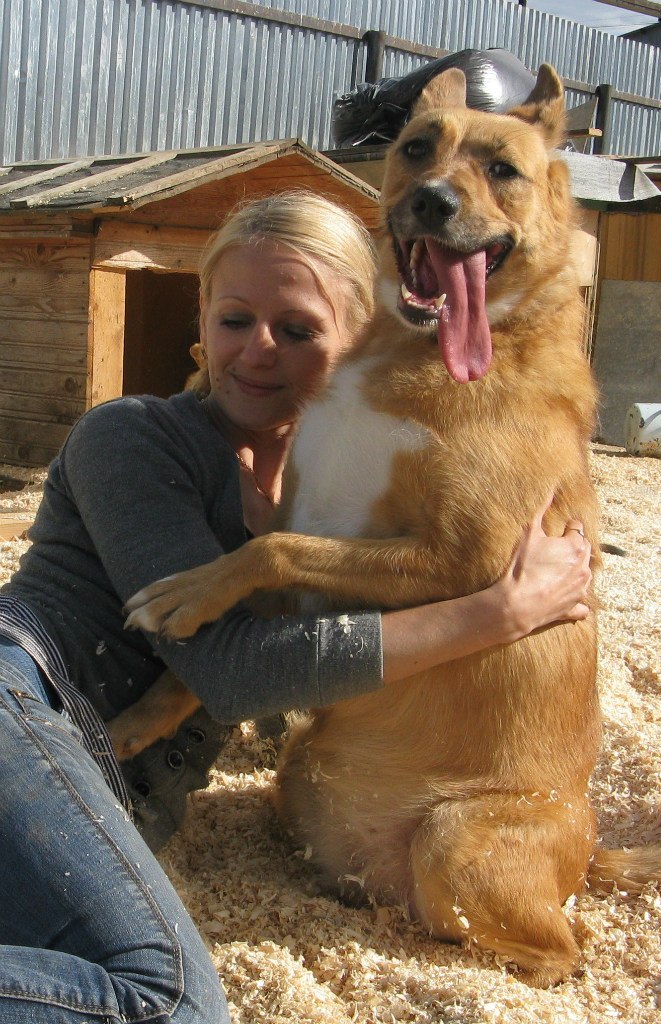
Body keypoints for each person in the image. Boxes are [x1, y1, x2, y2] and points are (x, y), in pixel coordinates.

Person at [0, 190, 593, 1023]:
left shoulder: (335, 507)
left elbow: (325, 667)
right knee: (166, 1001)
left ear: (359, 338)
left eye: (300, 328)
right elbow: (235, 670)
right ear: (201, 320)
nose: (257, 351)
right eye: (235, 318)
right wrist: (498, 612)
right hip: (21, 701)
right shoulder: (131, 437)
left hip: (90, 789)